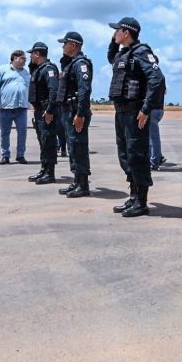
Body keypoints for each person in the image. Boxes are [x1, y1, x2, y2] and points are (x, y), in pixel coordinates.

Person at [107, 17, 166, 217]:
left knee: (137, 156)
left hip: (135, 112)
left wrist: (146, 109)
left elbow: (157, 80)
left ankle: (141, 202)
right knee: (125, 156)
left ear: (126, 33)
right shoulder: (124, 54)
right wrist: (113, 40)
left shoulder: (141, 52)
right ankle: (133, 197)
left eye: (117, 31)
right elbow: (111, 57)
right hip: (121, 111)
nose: (114, 33)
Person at [55, 31, 94, 198]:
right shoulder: (71, 63)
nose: (63, 47)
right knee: (72, 147)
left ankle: (83, 184)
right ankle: (77, 180)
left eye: (65, 44)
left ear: (73, 45)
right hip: (68, 111)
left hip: (76, 111)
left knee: (79, 147)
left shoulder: (81, 64)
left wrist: (80, 113)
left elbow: (84, 90)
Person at [0, 50, 31, 164]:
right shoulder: (2, 70)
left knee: (22, 132)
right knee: (5, 133)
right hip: (5, 108)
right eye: (23, 58)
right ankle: (5, 155)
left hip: (21, 108)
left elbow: (30, 89)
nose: (25, 61)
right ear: (15, 58)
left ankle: (20, 155)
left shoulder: (26, 73)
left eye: (25, 59)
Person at [26, 42, 60, 185]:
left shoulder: (49, 69)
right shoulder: (38, 69)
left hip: (47, 111)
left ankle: (50, 173)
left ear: (37, 54)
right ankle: (44, 169)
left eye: (32, 54)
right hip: (39, 110)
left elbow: (54, 91)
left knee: (48, 141)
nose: (30, 57)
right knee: (43, 142)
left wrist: (50, 110)